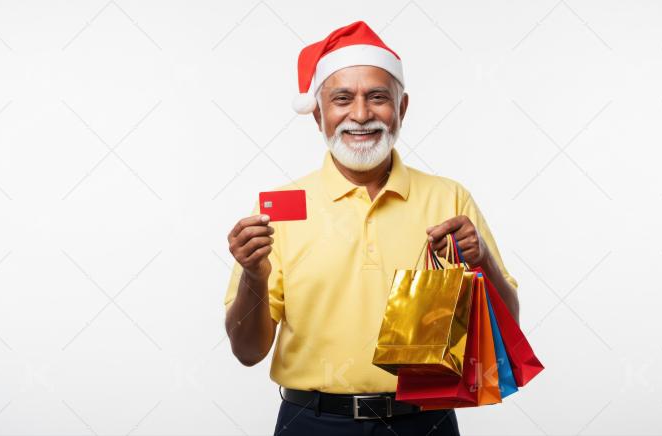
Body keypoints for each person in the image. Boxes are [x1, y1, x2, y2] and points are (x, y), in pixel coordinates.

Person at [223, 21, 520, 435]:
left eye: (378, 97)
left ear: (402, 108)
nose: (360, 115)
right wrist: (254, 276)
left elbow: (508, 329)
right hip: (312, 423)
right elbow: (247, 352)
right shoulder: (280, 211)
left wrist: (483, 259)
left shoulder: (449, 199)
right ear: (318, 113)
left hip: (425, 422)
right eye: (342, 98)